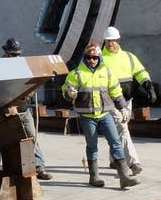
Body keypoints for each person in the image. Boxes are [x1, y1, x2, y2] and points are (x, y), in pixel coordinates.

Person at [62, 42, 140, 188]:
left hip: (105, 114)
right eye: (89, 57)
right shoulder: (76, 74)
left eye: (95, 57)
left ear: (99, 58)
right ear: (85, 58)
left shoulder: (107, 72)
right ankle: (94, 176)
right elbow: (66, 91)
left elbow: (116, 92)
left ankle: (124, 177)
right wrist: (69, 93)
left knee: (116, 142)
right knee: (92, 145)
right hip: (87, 117)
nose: (92, 60)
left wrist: (123, 108)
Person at [0, 38, 53, 180]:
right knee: (2, 137)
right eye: (12, 54)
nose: (15, 57)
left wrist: (29, 92)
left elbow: (31, 86)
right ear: (6, 53)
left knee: (31, 136)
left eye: (17, 54)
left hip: (23, 108)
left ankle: (39, 167)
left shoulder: (24, 66)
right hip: (5, 110)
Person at [101, 26, 157, 175]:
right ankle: (133, 163)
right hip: (109, 100)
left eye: (113, 40)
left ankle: (114, 159)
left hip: (127, 100)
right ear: (105, 41)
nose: (111, 43)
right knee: (122, 129)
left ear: (118, 40)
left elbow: (140, 72)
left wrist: (149, 86)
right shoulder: (99, 58)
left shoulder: (129, 57)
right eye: (108, 41)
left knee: (117, 129)